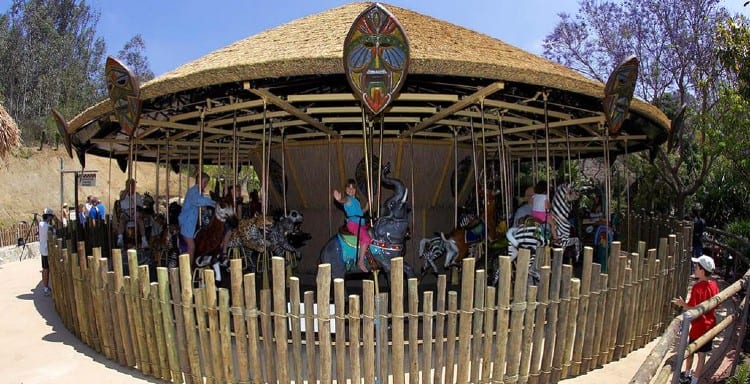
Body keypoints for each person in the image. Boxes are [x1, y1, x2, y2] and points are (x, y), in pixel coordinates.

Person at [671, 255, 720, 384]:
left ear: (702, 271)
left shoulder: (697, 288)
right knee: (702, 355)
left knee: (691, 350)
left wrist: (682, 304)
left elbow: (691, 309)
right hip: (709, 326)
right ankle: (694, 381)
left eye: (697, 267)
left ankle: (686, 374)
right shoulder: (714, 285)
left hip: (698, 327)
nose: (695, 268)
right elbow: (718, 304)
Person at [179, 172, 217, 264]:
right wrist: (213, 202)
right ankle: (188, 269)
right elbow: (198, 201)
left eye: (206, 183)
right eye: (205, 182)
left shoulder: (199, 193)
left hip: (193, 223)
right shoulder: (193, 191)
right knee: (191, 246)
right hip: (187, 223)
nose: (206, 185)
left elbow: (202, 206)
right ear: (199, 180)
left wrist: (208, 210)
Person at [333, 178, 370, 272]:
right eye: (348, 188)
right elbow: (344, 200)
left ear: (355, 190)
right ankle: (360, 261)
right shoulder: (348, 199)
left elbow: (359, 213)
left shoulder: (356, 201)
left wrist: (365, 209)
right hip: (353, 224)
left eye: (353, 188)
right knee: (366, 238)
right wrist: (339, 199)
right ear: (345, 190)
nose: (351, 189)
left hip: (360, 223)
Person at [117, 178, 148, 248]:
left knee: (140, 221)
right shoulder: (123, 193)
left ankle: (144, 239)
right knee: (122, 220)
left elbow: (140, 207)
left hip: (134, 212)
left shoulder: (137, 195)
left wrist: (136, 210)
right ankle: (120, 238)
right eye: (131, 185)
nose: (133, 186)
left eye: (133, 185)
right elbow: (121, 198)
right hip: (126, 212)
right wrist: (127, 189)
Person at [39, 208, 56, 296]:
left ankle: (45, 286)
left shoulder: (40, 224)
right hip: (47, 251)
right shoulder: (49, 227)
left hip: (43, 250)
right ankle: (47, 288)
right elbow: (54, 235)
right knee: (47, 269)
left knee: (45, 269)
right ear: (49, 217)